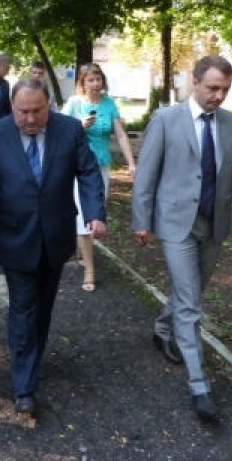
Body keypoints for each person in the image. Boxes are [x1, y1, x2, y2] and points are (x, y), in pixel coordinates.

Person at [131, 54, 232, 423]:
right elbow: (146, 174)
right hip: (176, 225)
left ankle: (163, 328)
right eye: (212, 88)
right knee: (190, 303)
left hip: (214, 224)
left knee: (190, 291)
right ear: (195, 82)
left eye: (225, 90)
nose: (218, 96)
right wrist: (141, 220)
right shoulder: (166, 120)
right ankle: (199, 385)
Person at [0, 78, 106, 418]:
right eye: (23, 111)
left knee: (44, 307)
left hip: (56, 234)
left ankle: (31, 359)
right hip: (15, 235)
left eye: (37, 111)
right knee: (23, 308)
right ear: (12, 107)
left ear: (48, 105)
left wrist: (95, 213)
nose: (30, 119)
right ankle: (24, 387)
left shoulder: (69, 130)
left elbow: (88, 171)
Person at [63, 62, 136, 292]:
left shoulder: (108, 103)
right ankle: (90, 271)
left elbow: (121, 135)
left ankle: (81, 250)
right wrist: (80, 127)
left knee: (97, 214)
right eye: (90, 80)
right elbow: (59, 133)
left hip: (102, 166)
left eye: (98, 79)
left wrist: (132, 163)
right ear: (83, 83)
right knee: (86, 216)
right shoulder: (74, 104)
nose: (95, 84)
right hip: (79, 168)